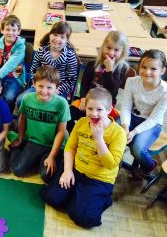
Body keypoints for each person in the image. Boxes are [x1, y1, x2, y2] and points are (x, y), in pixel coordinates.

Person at [40, 87, 126, 228]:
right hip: (76, 170)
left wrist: (99, 139)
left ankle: (102, 198)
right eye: (90, 109)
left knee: (83, 218)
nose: (93, 114)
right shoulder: (81, 123)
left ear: (109, 109)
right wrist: (67, 171)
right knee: (51, 198)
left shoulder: (118, 133)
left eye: (99, 110)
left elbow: (111, 164)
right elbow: (70, 148)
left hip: (98, 180)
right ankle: (77, 195)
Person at [9, 65, 70, 182]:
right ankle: (21, 147)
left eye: (49, 87)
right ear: (34, 84)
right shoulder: (27, 99)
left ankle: (39, 159)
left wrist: (52, 156)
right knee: (17, 170)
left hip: (53, 145)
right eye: (40, 86)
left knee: (46, 176)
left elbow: (61, 132)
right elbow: (22, 118)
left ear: (56, 88)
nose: (44, 91)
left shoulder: (62, 103)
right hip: (34, 141)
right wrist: (20, 138)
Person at [67, 31, 129, 132]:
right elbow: (85, 84)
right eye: (108, 48)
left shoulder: (121, 69)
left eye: (116, 50)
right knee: (69, 116)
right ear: (103, 47)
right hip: (88, 100)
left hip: (106, 104)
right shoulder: (92, 64)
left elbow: (112, 92)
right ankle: (77, 138)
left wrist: (109, 70)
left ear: (122, 52)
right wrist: (83, 98)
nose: (111, 53)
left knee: (100, 124)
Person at [120, 49, 167, 178]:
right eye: (144, 67)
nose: (147, 72)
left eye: (153, 69)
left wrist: (134, 132)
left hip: (152, 123)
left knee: (138, 150)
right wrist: (125, 126)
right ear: (139, 66)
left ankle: (149, 165)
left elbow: (154, 118)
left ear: (162, 70)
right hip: (132, 117)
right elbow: (125, 107)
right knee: (113, 135)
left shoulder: (165, 91)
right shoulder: (131, 81)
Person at [18, 21, 77, 107]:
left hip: (58, 90)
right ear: (50, 35)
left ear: (67, 40)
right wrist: (37, 86)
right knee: (21, 100)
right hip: (39, 86)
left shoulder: (70, 55)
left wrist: (57, 90)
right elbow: (34, 70)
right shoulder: (41, 51)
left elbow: (71, 79)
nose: (57, 39)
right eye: (55, 35)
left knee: (56, 107)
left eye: (62, 37)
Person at [0, 15, 25, 111]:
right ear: (2, 30)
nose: (11, 33)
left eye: (14, 30)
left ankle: (6, 117)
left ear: (18, 31)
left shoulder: (21, 46)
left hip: (14, 76)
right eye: (7, 29)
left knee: (9, 97)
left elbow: (10, 64)